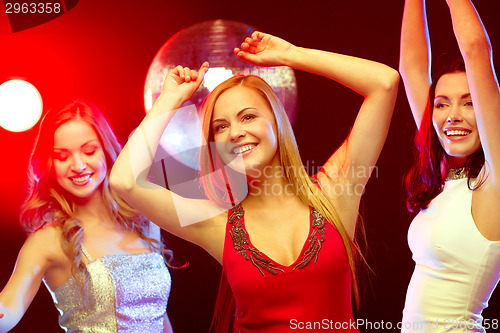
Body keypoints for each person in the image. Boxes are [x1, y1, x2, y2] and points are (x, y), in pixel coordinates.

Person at [110, 30, 399, 332]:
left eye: (247, 117)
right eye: (220, 127)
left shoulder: (333, 191)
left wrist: (291, 55)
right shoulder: (217, 223)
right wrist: (169, 99)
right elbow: (124, 180)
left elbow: (384, 83)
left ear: (276, 120)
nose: (235, 132)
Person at [0, 100, 174, 333]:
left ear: (107, 149)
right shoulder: (47, 240)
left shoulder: (144, 219)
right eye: (62, 156)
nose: (78, 165)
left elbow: (158, 314)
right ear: (50, 163)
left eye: (89, 151)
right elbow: (8, 309)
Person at [400, 0, 500, 331]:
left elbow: (475, 49)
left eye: (470, 103)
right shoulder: (447, 177)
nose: (453, 115)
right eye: (442, 103)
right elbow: (411, 68)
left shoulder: (494, 180)